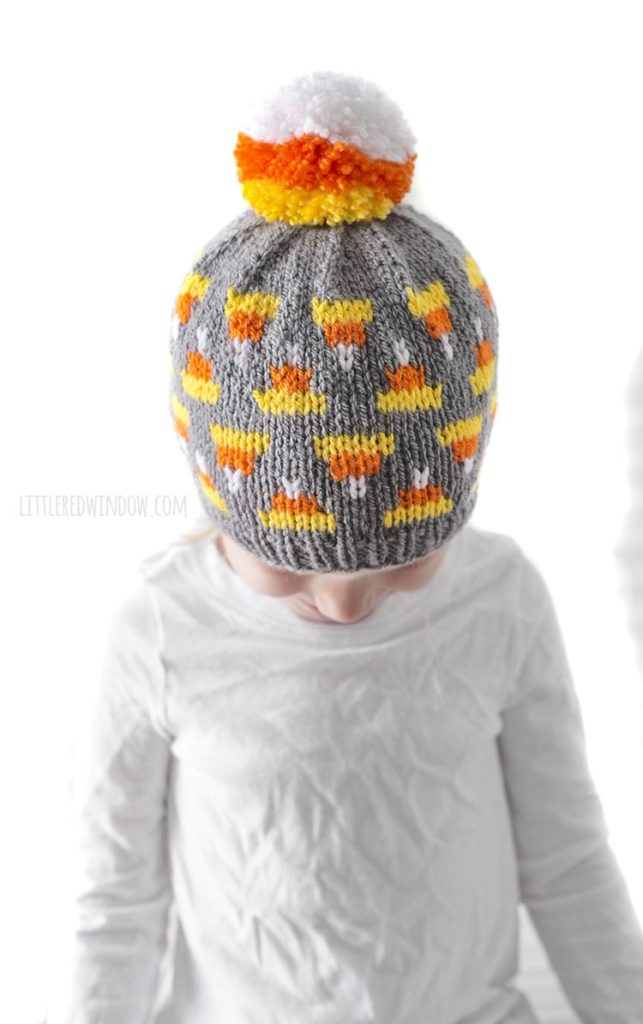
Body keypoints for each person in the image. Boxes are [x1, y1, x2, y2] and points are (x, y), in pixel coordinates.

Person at [49, 71, 643, 1024]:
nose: (347, 602)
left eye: (405, 560)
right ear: (218, 484)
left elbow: (566, 855)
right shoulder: (159, 628)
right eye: (290, 562)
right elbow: (115, 901)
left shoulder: (500, 598)